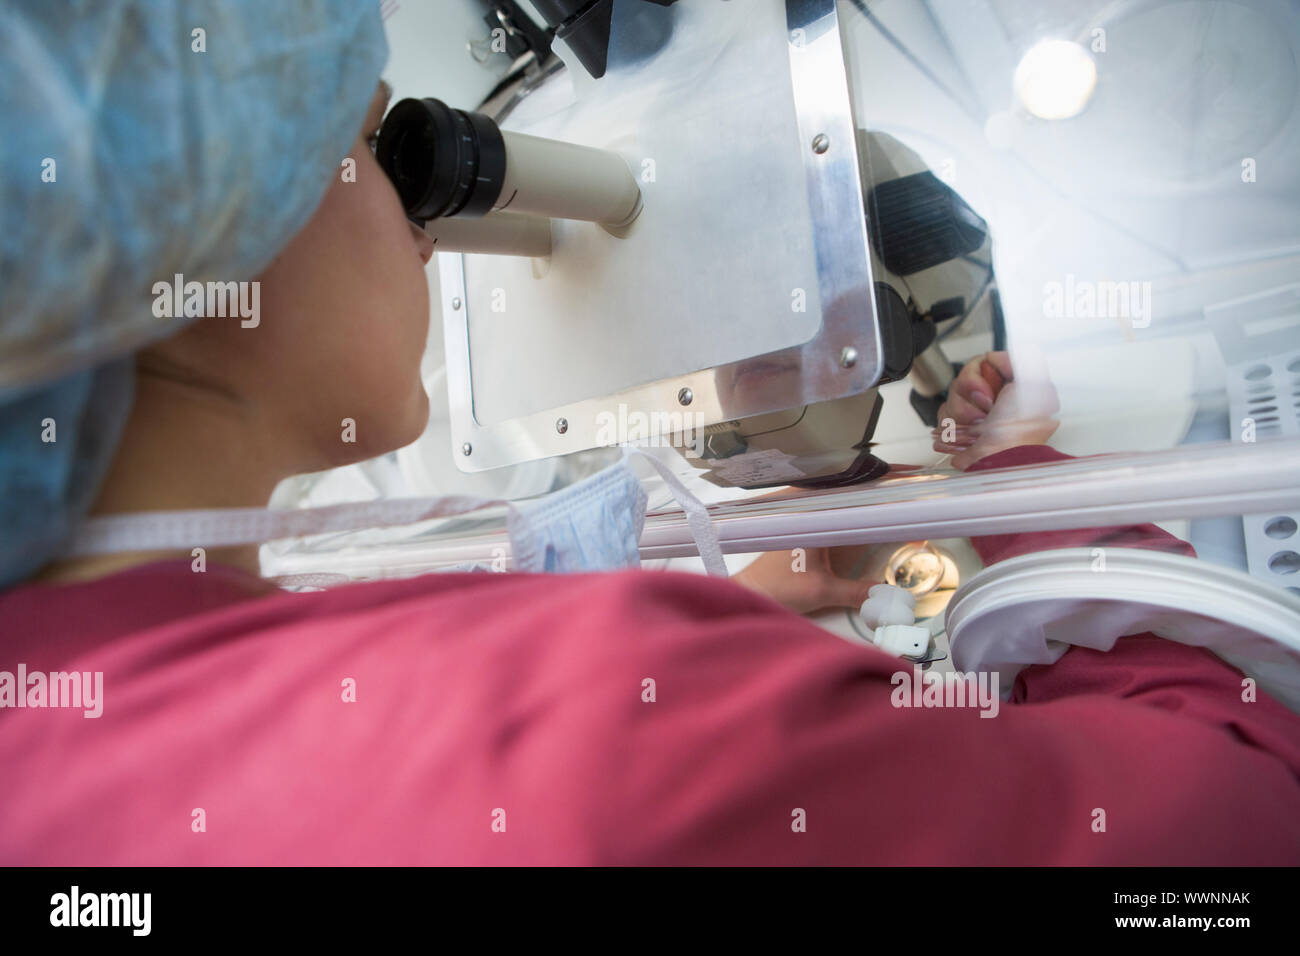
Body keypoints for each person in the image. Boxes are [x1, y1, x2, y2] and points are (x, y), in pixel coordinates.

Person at [2, 3, 1298, 866]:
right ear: (180, 243)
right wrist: (1026, 476)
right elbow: (1242, 807)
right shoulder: (605, 743)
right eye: (358, 137)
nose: (420, 222)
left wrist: (725, 648)